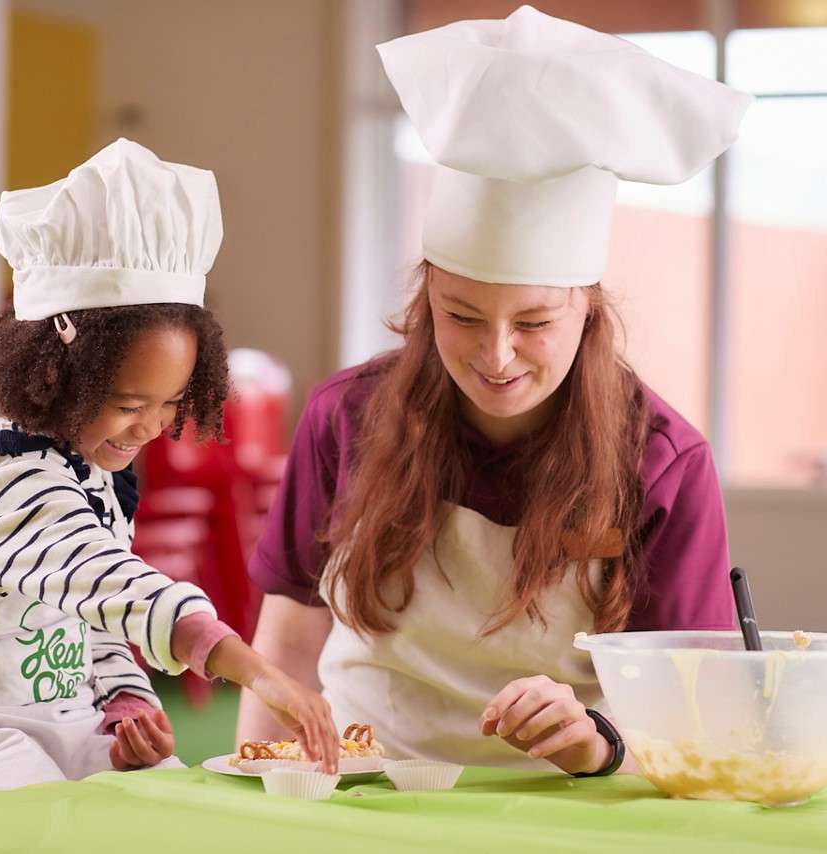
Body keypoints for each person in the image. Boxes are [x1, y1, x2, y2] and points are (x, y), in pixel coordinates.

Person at [237, 7, 752, 776]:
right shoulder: (344, 416)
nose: (497, 355)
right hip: (359, 789)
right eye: (463, 315)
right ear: (425, 302)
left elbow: (697, 711)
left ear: (587, 309)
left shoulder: (663, 460)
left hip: (562, 804)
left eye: (536, 321)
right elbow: (288, 641)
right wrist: (264, 786)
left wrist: (597, 740)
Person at [0, 139, 337, 805]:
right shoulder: (8, 479)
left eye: (171, 405)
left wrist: (128, 710)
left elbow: (96, 624)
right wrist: (260, 673)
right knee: (48, 820)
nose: (150, 427)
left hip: (64, 723)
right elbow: (110, 583)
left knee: (170, 805)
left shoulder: (96, 479)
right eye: (129, 405)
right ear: (55, 376)